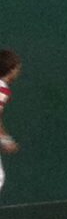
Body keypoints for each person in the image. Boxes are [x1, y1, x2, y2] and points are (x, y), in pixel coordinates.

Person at [0, 48, 19, 196]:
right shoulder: (2, 89)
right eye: (17, 69)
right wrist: (6, 140)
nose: (18, 72)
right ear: (11, 70)